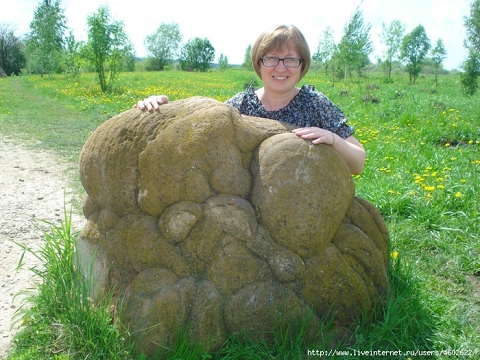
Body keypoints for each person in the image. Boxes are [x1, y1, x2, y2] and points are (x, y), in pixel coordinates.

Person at [134, 25, 366, 175]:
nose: (281, 68)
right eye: (272, 59)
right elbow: (201, 129)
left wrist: (333, 139)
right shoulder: (241, 105)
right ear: (259, 63)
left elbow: (358, 163)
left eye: (290, 59)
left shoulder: (316, 104)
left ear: (302, 65)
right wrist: (164, 109)